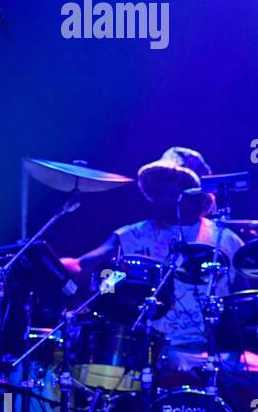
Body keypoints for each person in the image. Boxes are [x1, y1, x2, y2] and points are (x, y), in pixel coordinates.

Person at [60, 146, 244, 361]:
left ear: (197, 193)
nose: (168, 190)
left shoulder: (225, 239)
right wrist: (53, 266)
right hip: (148, 349)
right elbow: (83, 268)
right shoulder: (131, 236)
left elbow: (246, 300)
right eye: (162, 184)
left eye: (178, 184)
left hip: (212, 352)